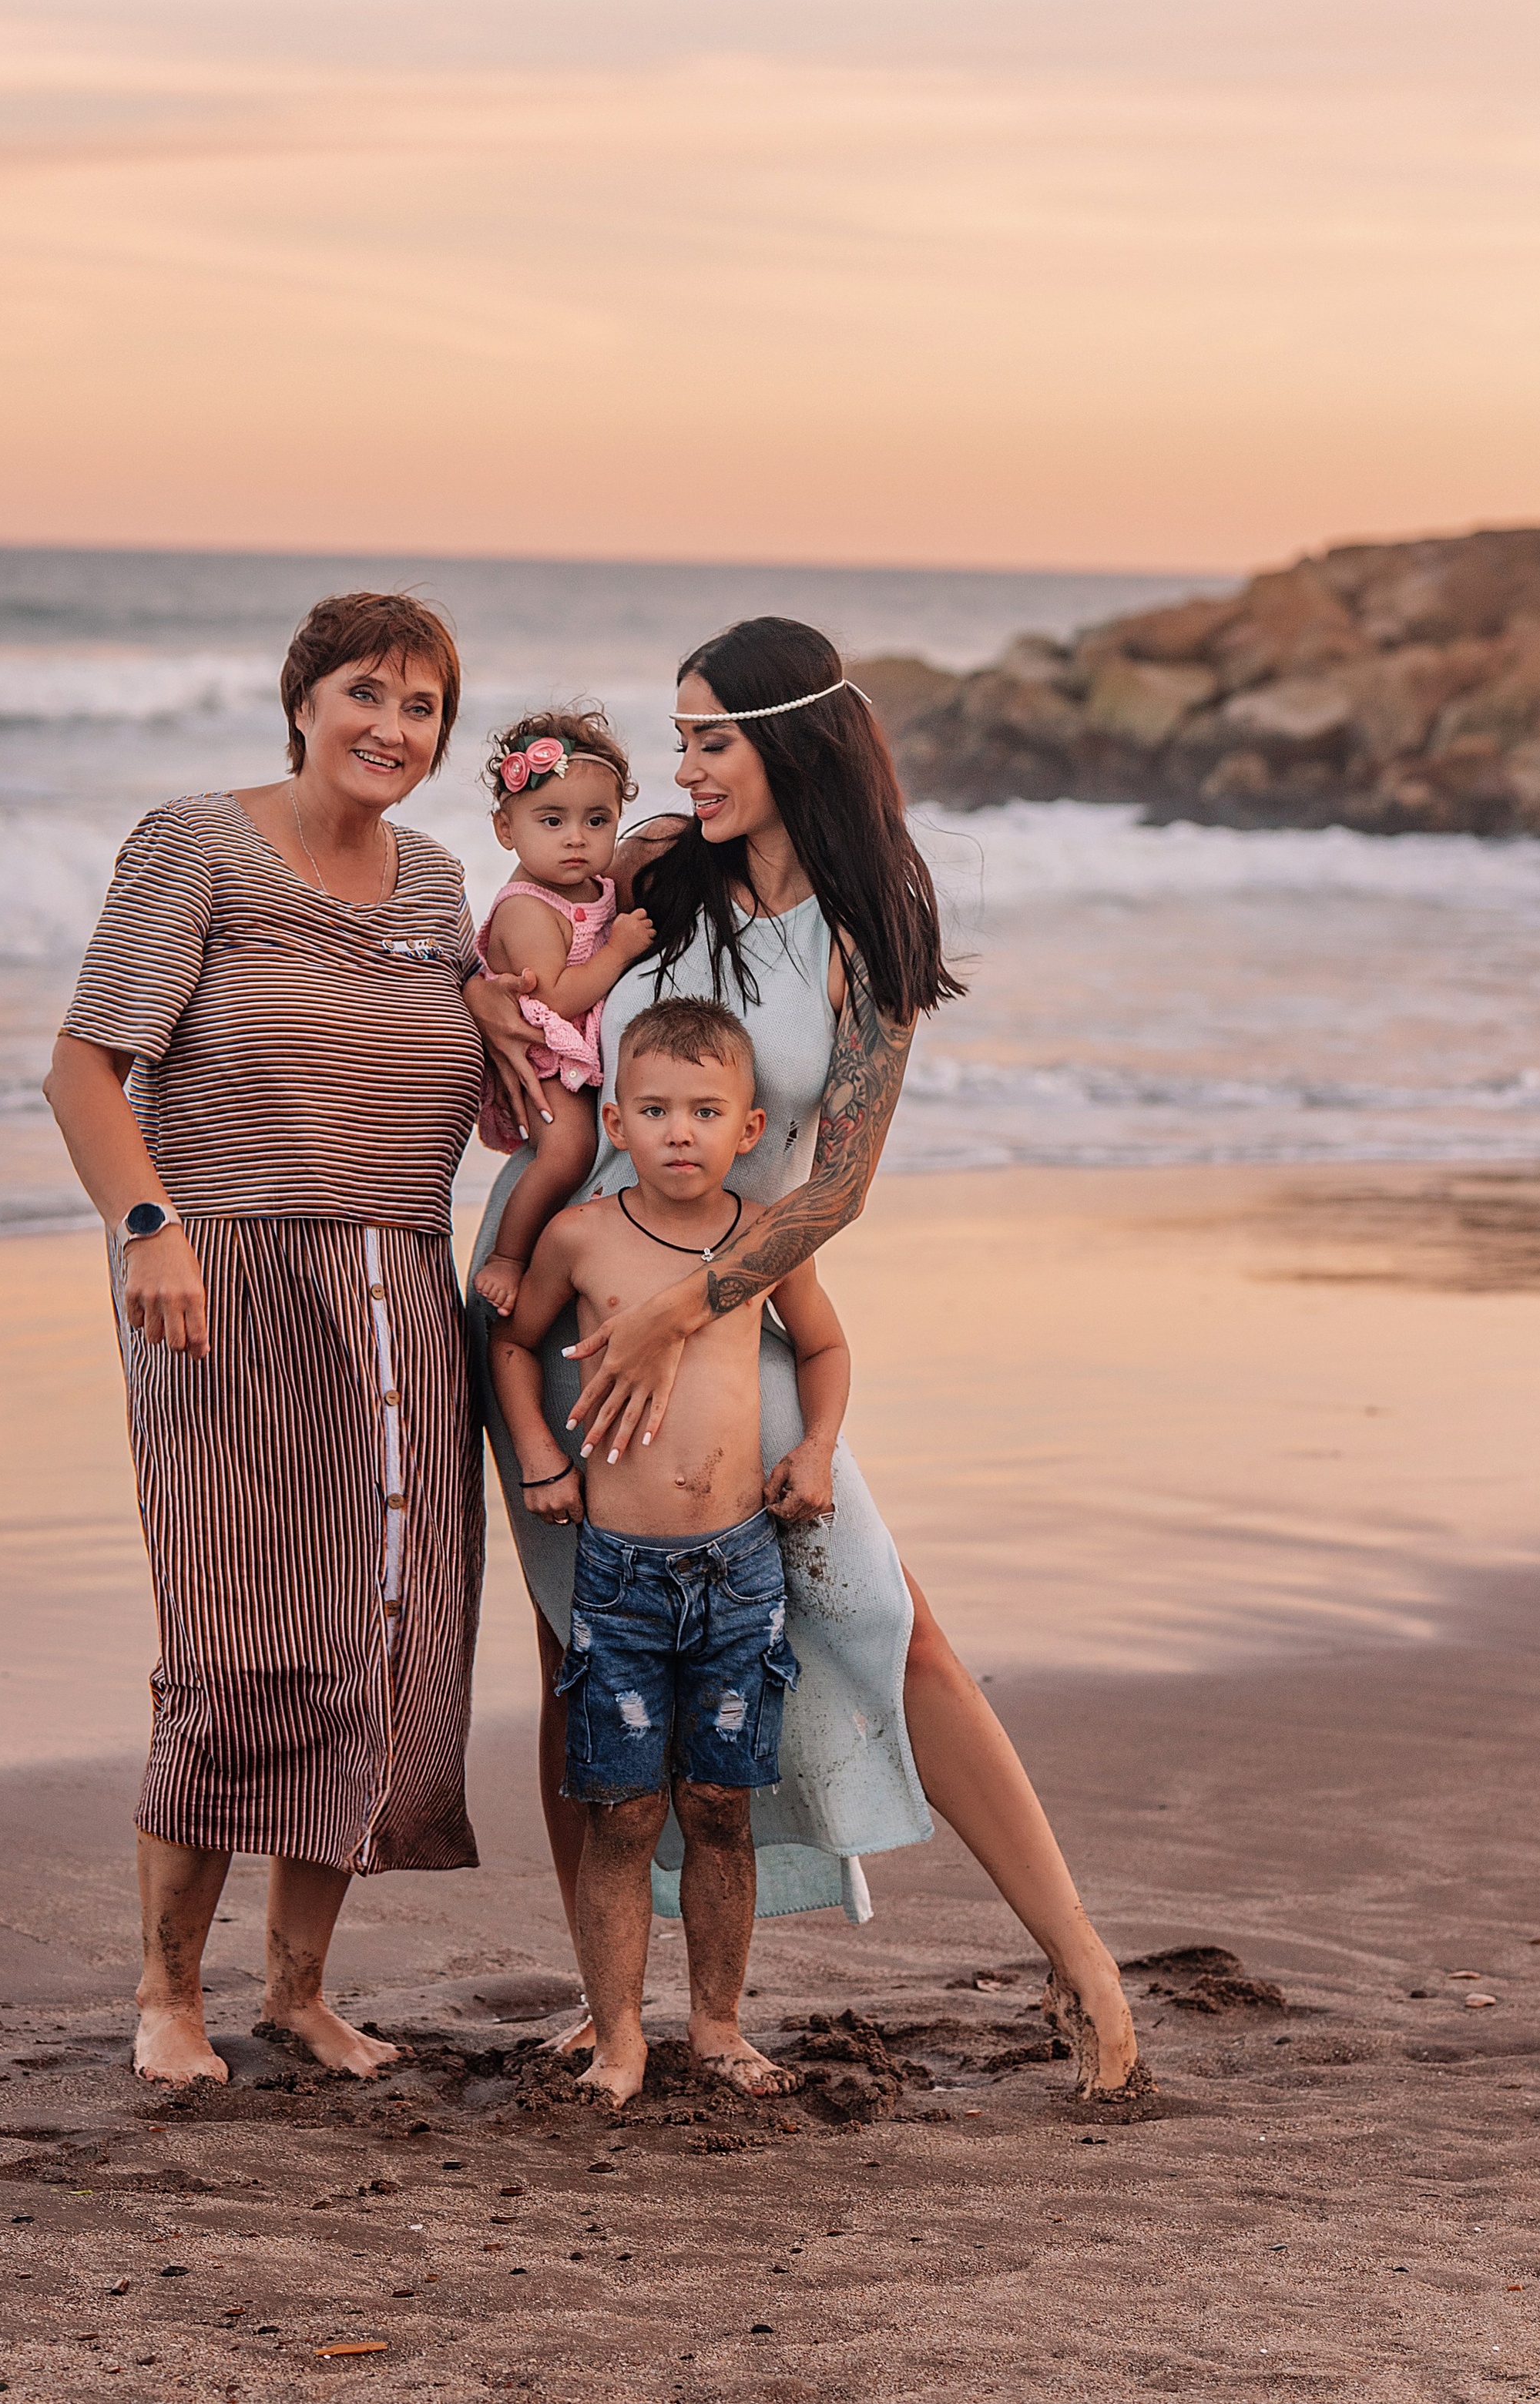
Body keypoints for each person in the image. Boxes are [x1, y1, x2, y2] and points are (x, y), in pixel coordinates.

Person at [471, 615, 1152, 2106]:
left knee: (885, 1617)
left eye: (715, 735)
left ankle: (1083, 1962)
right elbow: (525, 972)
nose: (689, 764)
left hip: (734, 1307)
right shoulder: (654, 868)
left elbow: (835, 1182)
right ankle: (614, 2009)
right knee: (582, 1651)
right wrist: (490, 1029)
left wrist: (696, 1302)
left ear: (795, 739)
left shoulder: (867, 933)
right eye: (684, 735)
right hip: (579, 1306)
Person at [45, 589, 526, 2087]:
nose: (392, 728)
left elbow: (513, 1066)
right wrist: (149, 1229)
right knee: (237, 1637)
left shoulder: (441, 883)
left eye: (422, 707)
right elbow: (81, 1071)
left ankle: (298, 1992)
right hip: (224, 1287)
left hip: (400, 1290)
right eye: (366, 694)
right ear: (303, 701)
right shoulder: (194, 842)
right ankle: (168, 1996)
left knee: (376, 1643)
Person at [492, 996, 847, 2105]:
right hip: (620, 1573)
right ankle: (618, 2040)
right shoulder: (583, 1234)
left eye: (704, 1110)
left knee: (717, 1807)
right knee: (624, 1811)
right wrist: (542, 1457)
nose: (678, 1131)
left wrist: (820, 1450)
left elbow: (826, 1344)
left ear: (748, 1128)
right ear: (616, 1119)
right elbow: (512, 1344)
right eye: (654, 1109)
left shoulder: (762, 1236)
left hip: (739, 1566)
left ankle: (720, 2027)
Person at [471, 707, 657, 1319]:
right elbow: (554, 998)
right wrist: (623, 949)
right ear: (507, 827)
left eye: (597, 820)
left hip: (578, 1046)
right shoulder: (528, 907)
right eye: (552, 820)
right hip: (546, 1052)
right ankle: (508, 1256)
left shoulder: (595, 887)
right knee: (569, 1151)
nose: (577, 837)